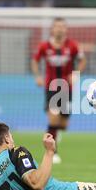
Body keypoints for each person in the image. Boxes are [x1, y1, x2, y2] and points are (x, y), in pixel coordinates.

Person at [31, 18, 86, 164]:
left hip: (67, 88)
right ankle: (52, 152)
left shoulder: (72, 46)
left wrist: (76, 74)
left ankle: (55, 133)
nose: (60, 29)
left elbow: (82, 60)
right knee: (53, 117)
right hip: (51, 87)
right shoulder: (44, 46)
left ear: (66, 30)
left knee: (63, 125)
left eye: (62, 27)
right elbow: (35, 60)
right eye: (57, 27)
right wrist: (37, 76)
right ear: (52, 29)